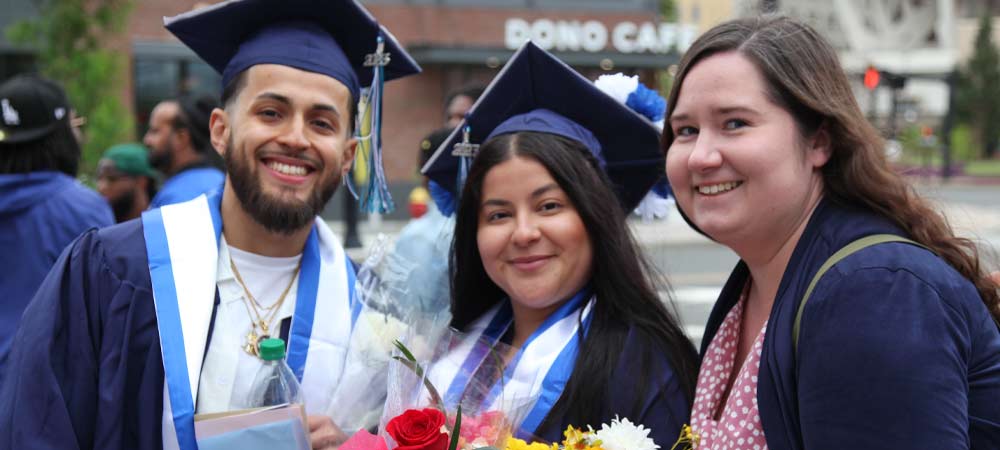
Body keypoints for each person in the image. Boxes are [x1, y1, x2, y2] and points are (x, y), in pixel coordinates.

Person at [0, 1, 420, 449]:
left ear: (348, 155)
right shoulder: (112, 271)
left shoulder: (370, 318)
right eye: (271, 113)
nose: (296, 138)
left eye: (321, 122)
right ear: (220, 131)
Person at [663, 16, 1000, 449]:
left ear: (819, 142)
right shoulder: (756, 286)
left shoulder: (871, 293)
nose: (700, 157)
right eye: (686, 131)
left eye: (734, 123)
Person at [421, 42, 698, 445]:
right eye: (498, 214)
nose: (524, 232)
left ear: (594, 217)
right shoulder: (453, 349)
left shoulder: (647, 371)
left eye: (549, 206)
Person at [0, 74, 114, 380]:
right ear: (60, 134)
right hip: (41, 396)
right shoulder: (81, 209)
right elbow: (107, 314)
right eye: (75, 125)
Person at [143, 94, 226, 208]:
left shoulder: (177, 198)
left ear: (181, 138)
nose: (147, 140)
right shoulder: (220, 180)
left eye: (155, 131)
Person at [96, 143, 159, 222]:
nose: (101, 187)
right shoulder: (98, 225)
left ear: (141, 182)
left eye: (112, 179)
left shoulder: (161, 225)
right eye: (99, 178)